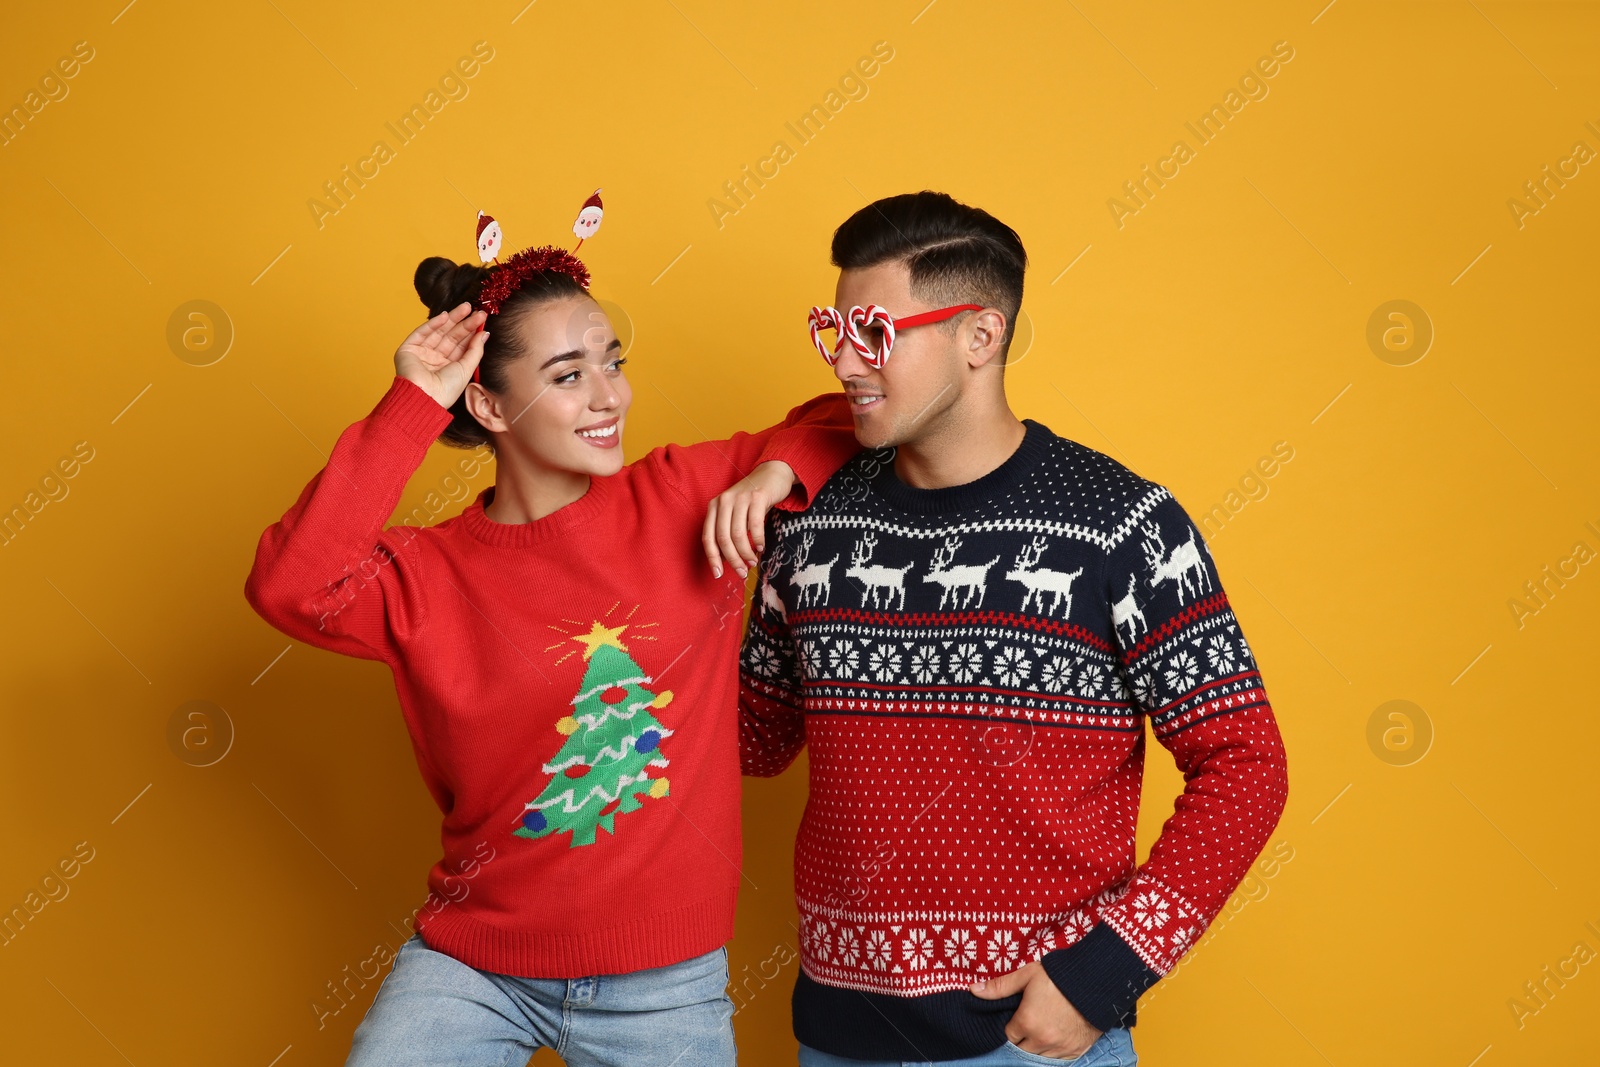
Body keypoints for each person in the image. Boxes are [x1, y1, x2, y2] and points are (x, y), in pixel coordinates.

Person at [243, 240, 862, 1066]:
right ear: (490, 408)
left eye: (614, 361)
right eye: (568, 375)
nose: (610, 395)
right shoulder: (422, 574)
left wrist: (769, 472)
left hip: (664, 982)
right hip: (472, 963)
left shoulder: (680, 496)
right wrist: (412, 405)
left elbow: (852, 421)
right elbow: (291, 582)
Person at [738, 191, 1290, 1066]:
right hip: (839, 1036)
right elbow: (753, 741)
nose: (845, 360)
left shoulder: (1122, 526)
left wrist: (1105, 974)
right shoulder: (807, 523)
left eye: (873, 332)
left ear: (980, 336)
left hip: (1035, 1044)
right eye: (832, 330)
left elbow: (1247, 763)